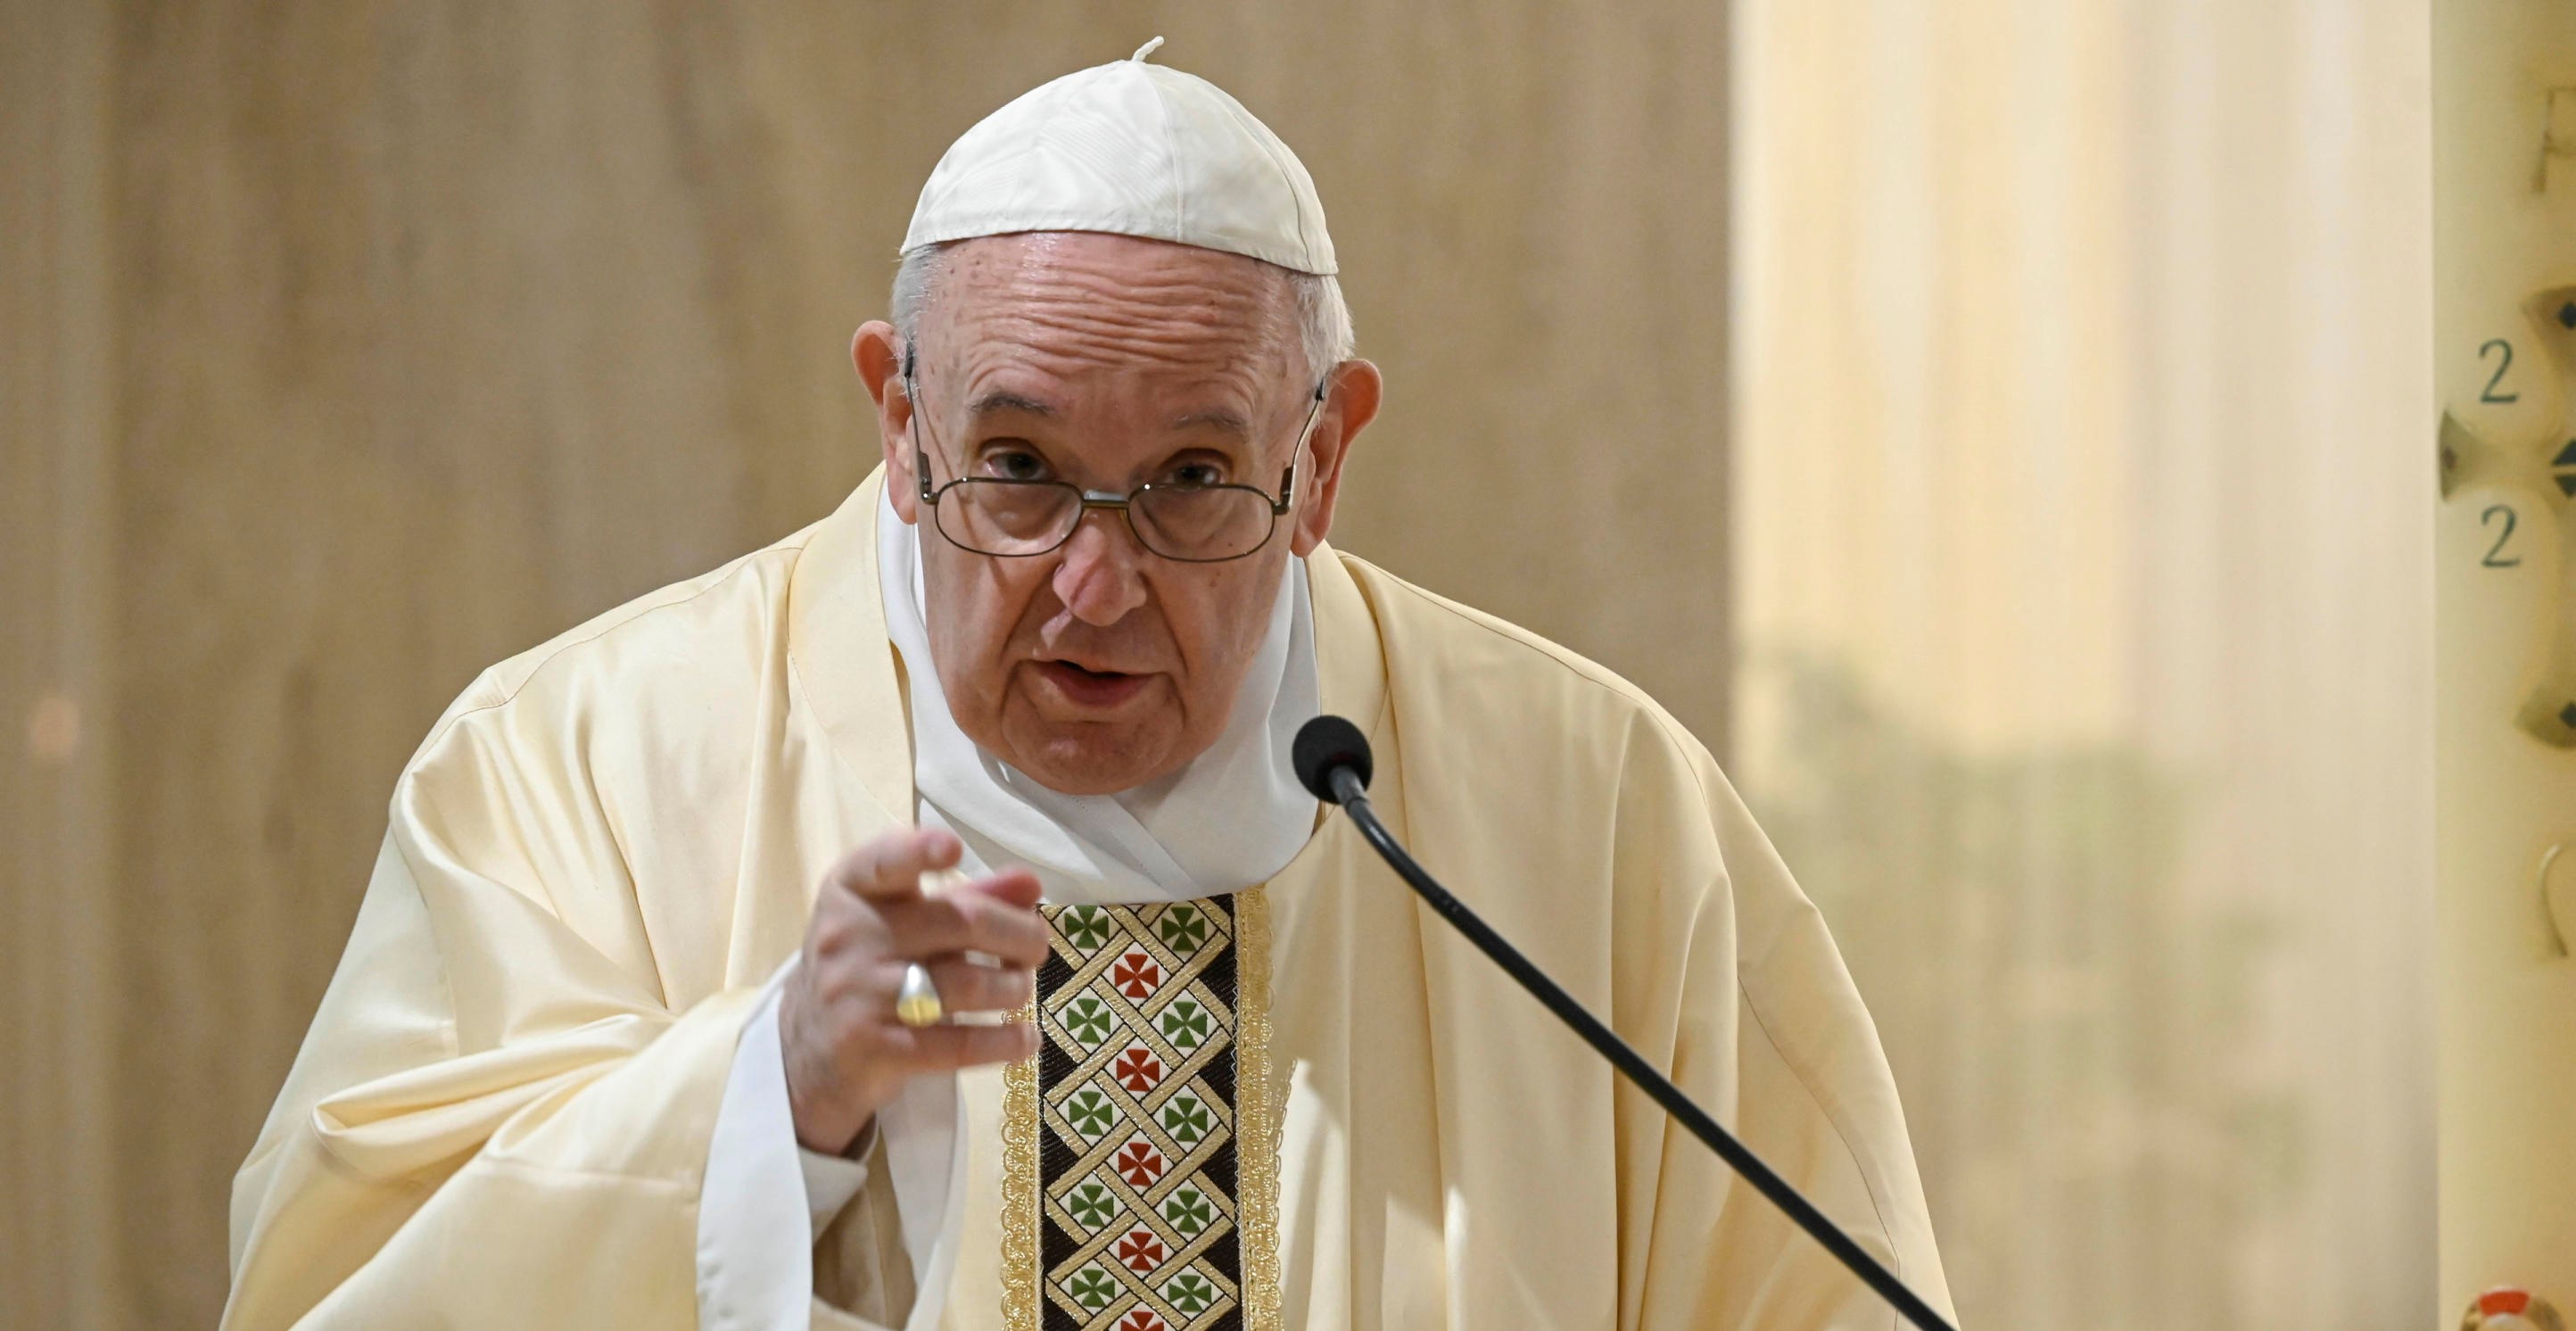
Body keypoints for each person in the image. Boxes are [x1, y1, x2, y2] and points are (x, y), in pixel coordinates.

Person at [225, 40, 1952, 1331]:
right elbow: (343, 1278)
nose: (1094, 583)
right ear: (897, 419)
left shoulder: (1590, 803)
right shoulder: (582, 761)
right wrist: (773, 1087)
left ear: (1325, 452)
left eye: (1194, 476)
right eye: (1019, 464)